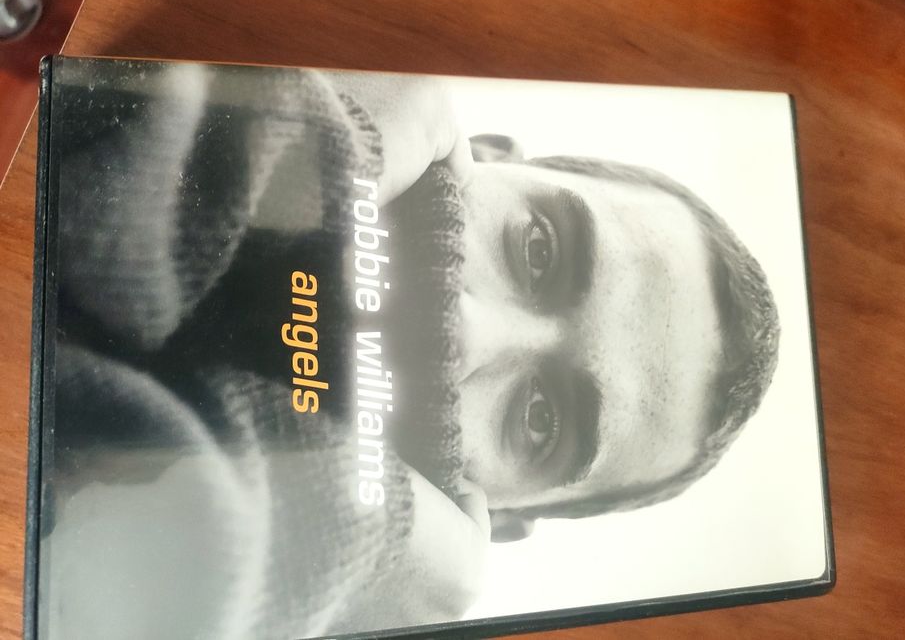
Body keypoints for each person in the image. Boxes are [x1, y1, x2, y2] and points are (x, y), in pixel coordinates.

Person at [46, 59, 778, 639]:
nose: (466, 330)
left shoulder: (274, 594)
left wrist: (366, 530)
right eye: (537, 249)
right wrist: (335, 138)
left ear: (496, 520)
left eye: (540, 419)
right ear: (483, 154)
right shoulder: (242, 52)